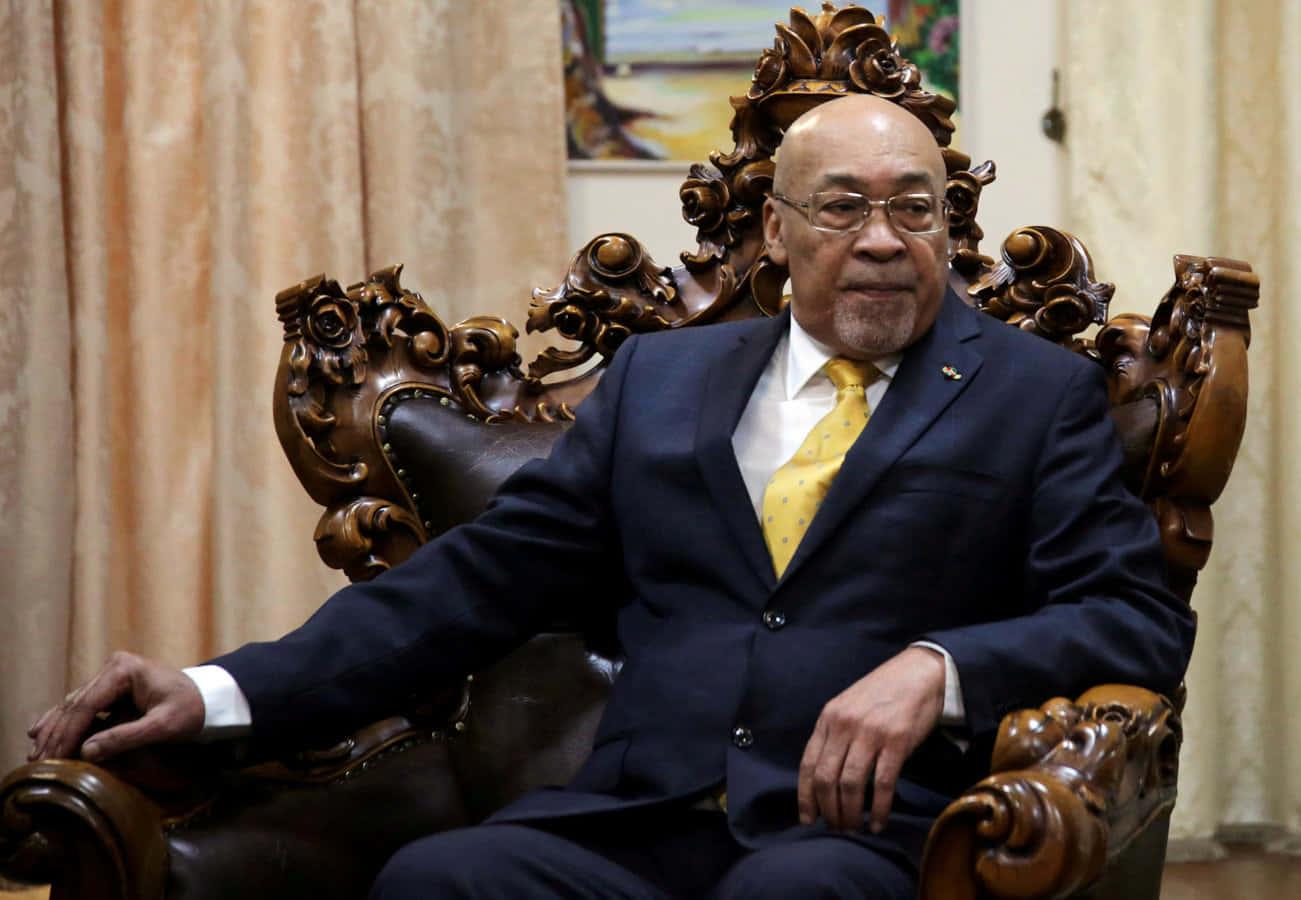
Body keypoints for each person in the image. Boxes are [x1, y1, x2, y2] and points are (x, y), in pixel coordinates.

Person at [27, 94, 1193, 899]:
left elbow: (1133, 617)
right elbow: (468, 588)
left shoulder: (1033, 394)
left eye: (915, 207)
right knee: (444, 880)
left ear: (948, 222)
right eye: (843, 207)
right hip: (626, 822)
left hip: (855, 833)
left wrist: (939, 667)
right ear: (778, 231)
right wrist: (217, 690)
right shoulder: (659, 382)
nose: (883, 239)